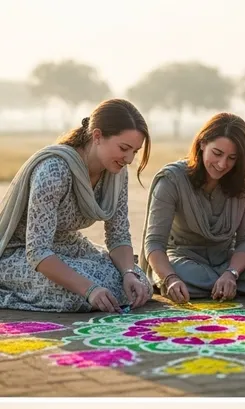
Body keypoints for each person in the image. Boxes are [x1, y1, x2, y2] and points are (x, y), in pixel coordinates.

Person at [0, 98, 152, 313]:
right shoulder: (54, 171)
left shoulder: (116, 174)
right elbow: (38, 251)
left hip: (68, 246)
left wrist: (128, 273)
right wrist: (90, 289)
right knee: (76, 295)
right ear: (97, 136)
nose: (128, 159)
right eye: (124, 148)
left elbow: (118, 236)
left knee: (139, 283)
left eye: (135, 152)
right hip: (22, 252)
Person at [141, 113, 245, 302]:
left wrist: (231, 273)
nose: (222, 164)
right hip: (183, 261)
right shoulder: (172, 180)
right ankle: (216, 288)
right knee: (176, 272)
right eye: (217, 153)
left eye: (232, 158)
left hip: (227, 259)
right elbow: (154, 243)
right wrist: (170, 279)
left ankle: (219, 285)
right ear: (202, 144)